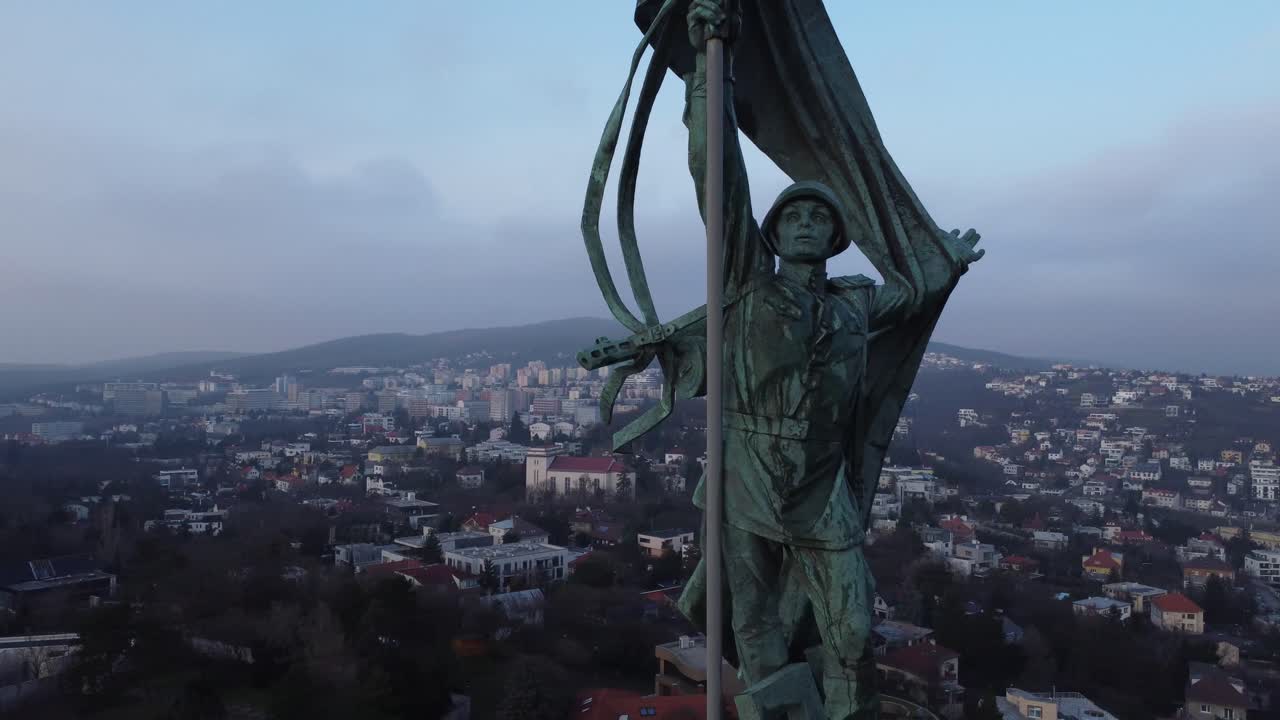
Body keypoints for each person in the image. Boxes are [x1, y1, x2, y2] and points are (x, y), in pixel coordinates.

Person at [677, 1, 983, 717]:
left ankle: (842, 706)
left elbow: (917, 294)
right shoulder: (744, 284)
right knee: (749, 617)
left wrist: (947, 261)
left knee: (850, 617)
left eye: (820, 216)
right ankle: (777, 705)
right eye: (795, 215)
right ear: (775, 232)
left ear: (836, 237)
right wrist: (706, 70)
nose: (808, 222)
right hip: (748, 472)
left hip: (821, 486)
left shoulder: (856, 304)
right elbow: (714, 176)